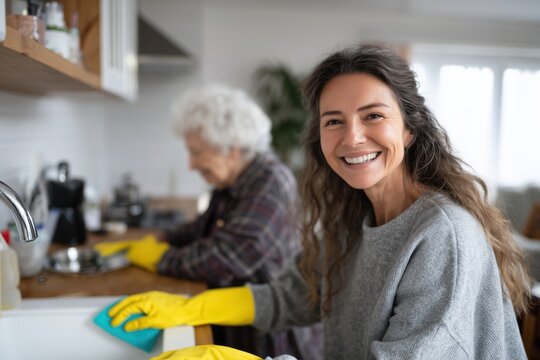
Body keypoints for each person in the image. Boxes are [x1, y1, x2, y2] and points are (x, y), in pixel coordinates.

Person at [105, 45, 531, 359]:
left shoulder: (443, 235)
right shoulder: (352, 214)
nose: (352, 137)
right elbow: (298, 293)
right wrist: (194, 307)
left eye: (373, 115)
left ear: (409, 130)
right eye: (334, 121)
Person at [95, 84, 322, 359]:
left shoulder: (270, 182)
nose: (190, 164)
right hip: (236, 317)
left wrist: (160, 258)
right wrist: (160, 239)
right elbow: (201, 227)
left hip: (268, 336)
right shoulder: (235, 180)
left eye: (196, 152)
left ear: (232, 149)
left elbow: (229, 255)